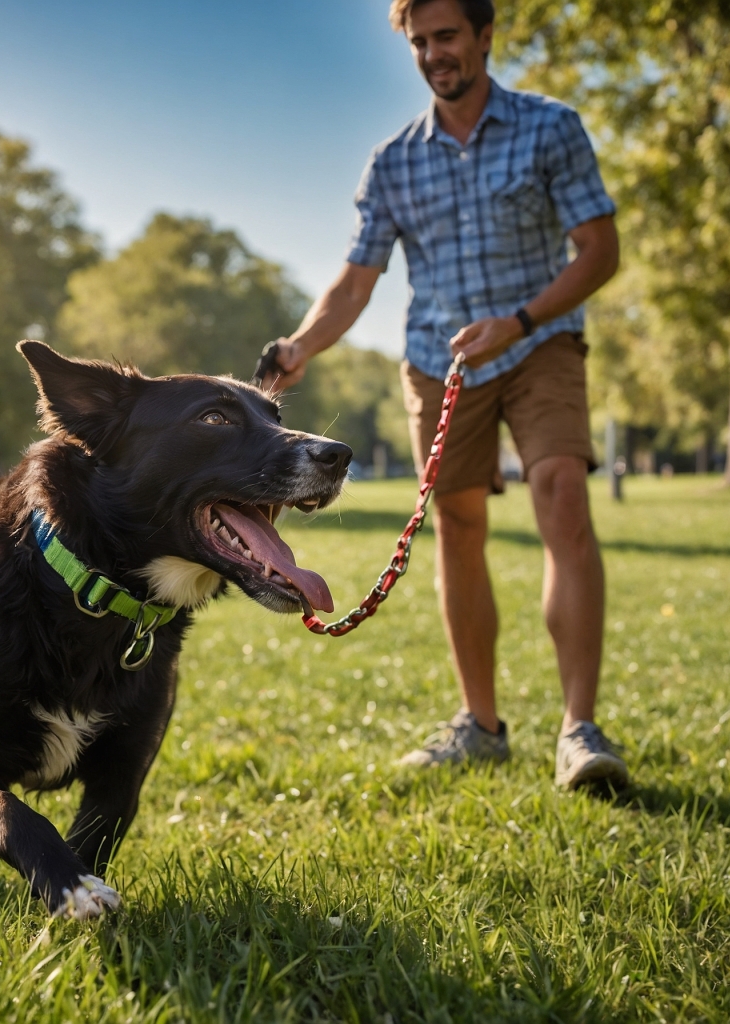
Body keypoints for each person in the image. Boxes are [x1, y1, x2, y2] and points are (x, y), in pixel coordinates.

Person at [260, 0, 627, 789]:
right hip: (438, 361)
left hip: (540, 342)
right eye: (420, 42)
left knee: (561, 493)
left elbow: (599, 252)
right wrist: (301, 346)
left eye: (448, 37)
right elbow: (357, 280)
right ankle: (481, 724)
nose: (434, 54)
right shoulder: (393, 162)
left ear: (486, 35)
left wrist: (520, 319)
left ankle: (580, 730)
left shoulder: (550, 128)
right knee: (459, 526)